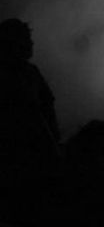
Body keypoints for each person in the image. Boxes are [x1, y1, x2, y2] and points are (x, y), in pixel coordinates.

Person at [0, 18, 61, 224]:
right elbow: (41, 112)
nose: (32, 44)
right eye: (27, 39)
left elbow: (46, 109)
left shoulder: (31, 73)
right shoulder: (23, 75)